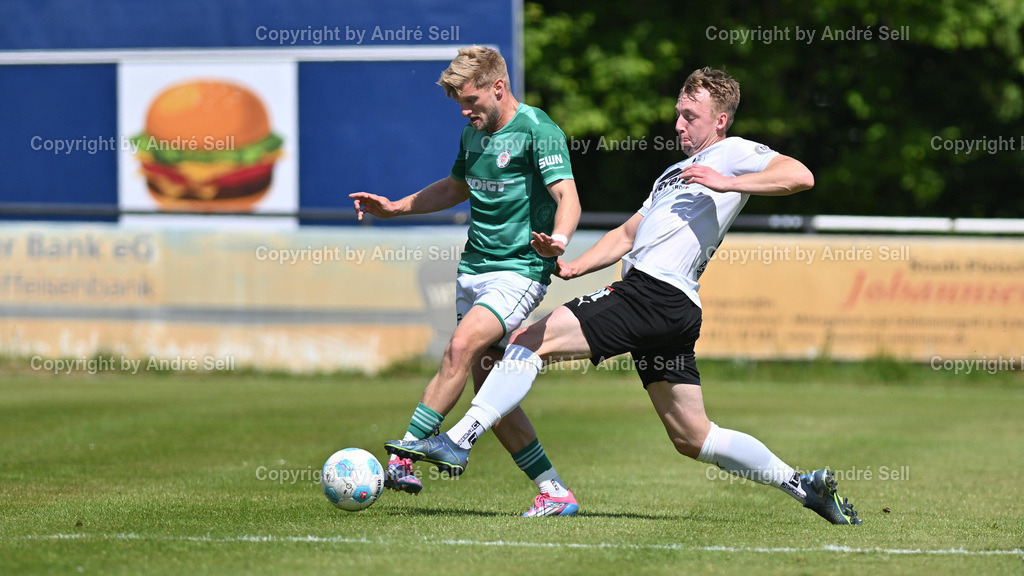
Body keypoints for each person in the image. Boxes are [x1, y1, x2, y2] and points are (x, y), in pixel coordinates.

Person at [385, 67, 862, 525]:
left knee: (527, 342)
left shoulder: (732, 152)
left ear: (719, 120)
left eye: (690, 116)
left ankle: (461, 439)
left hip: (653, 295)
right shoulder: (674, 172)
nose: (678, 123)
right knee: (693, 437)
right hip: (671, 308)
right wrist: (573, 265)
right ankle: (803, 484)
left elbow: (800, 175)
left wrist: (730, 181)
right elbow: (628, 232)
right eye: (677, 112)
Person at [351, 46, 582, 517]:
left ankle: (402, 458)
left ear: (499, 87)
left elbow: (568, 195)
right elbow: (456, 187)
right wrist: (395, 208)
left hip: (520, 271)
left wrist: (559, 239)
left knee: (459, 348)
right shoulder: (471, 134)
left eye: (472, 98)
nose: (464, 109)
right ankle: (554, 492)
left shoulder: (538, 129)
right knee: (488, 390)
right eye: (459, 101)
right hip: (473, 271)